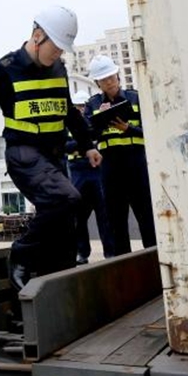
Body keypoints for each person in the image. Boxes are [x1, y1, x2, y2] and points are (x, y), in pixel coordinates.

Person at [0, 6, 101, 287]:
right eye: (56, 48)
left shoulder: (58, 69)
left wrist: (88, 145)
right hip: (24, 155)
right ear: (38, 36)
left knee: (66, 225)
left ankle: (53, 287)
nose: (59, 54)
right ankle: (21, 253)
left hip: (55, 159)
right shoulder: (3, 71)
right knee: (68, 199)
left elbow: (69, 111)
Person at [84, 55, 155, 255]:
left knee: (146, 216)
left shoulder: (135, 98)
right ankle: (123, 263)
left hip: (137, 164)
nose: (109, 82)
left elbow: (152, 130)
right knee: (115, 219)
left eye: (112, 77)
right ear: (97, 83)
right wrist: (100, 120)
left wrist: (128, 129)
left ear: (118, 76)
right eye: (104, 79)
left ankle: (154, 259)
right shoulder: (93, 105)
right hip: (111, 169)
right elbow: (87, 136)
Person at [67, 90, 112, 263]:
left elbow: (98, 137)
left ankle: (110, 252)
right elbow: (65, 145)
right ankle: (83, 253)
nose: (81, 109)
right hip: (77, 171)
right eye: (78, 106)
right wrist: (83, 146)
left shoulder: (93, 123)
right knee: (79, 216)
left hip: (95, 170)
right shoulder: (68, 125)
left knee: (104, 215)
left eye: (83, 105)